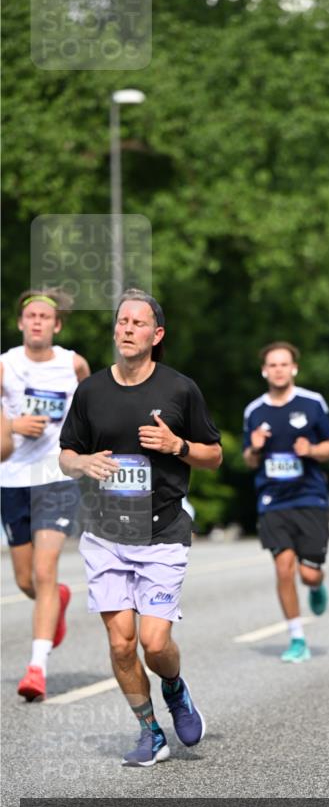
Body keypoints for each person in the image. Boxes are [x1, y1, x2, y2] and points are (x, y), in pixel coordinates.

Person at [59, 290, 222, 767]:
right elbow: (67, 453)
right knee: (120, 642)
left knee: (154, 643)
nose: (127, 329)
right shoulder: (91, 390)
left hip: (163, 531)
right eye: (122, 321)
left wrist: (177, 446)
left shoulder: (179, 390)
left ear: (157, 334)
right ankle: (150, 732)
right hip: (105, 533)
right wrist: (83, 462)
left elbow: (214, 456)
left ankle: (174, 687)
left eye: (138, 322)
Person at [1, 288, 90, 701]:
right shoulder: (5, 367)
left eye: (44, 316)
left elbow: (94, 411)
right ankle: (58, 599)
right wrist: (13, 427)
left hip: (56, 475)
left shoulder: (73, 365)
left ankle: (36, 669)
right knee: (25, 580)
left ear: (56, 325)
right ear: (20, 324)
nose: (37, 321)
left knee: (44, 569)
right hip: (13, 478)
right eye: (30, 316)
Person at [243, 342, 329, 663]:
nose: (279, 369)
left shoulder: (312, 403)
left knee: (308, 574)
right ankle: (297, 637)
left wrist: (311, 451)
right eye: (273, 364)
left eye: (284, 364)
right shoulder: (254, 411)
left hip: (309, 496)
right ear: (264, 371)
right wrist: (254, 448)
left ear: (294, 368)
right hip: (272, 500)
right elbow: (248, 461)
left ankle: (315, 584)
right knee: (283, 568)